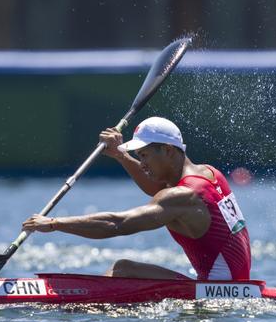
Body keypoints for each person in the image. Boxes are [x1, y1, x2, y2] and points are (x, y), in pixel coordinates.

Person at [22, 117, 252, 281]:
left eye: (144, 155)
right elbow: (157, 187)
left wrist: (54, 224)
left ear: (168, 151)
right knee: (124, 268)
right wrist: (119, 155)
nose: (142, 164)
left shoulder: (183, 196)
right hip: (235, 282)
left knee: (123, 269)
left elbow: (117, 224)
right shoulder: (209, 173)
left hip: (218, 288)